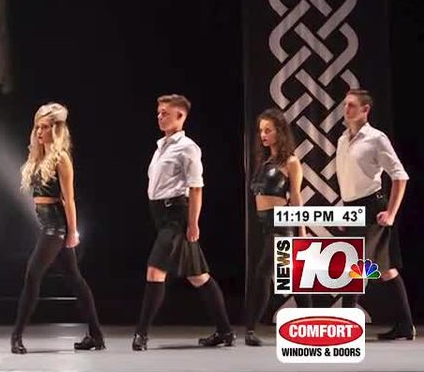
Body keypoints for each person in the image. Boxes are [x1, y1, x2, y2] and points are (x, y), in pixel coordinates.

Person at [131, 94, 234, 351]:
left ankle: (141, 333)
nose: (159, 116)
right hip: (160, 215)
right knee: (198, 276)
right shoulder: (161, 146)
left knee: (155, 270)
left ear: (180, 116)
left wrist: (193, 223)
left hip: (176, 216)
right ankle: (225, 332)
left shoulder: (188, 147)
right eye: (158, 112)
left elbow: (196, 188)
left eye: (165, 113)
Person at [10, 103, 105, 353]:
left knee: (32, 275)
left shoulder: (61, 158)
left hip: (56, 226)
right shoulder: (37, 157)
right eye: (37, 127)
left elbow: (68, 199)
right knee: (74, 278)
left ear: (56, 129)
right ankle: (96, 335)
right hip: (45, 223)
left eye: (45, 127)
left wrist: (73, 232)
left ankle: (16, 336)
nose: (39, 132)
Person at [335, 89, 415, 340]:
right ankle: (405, 325)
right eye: (345, 104)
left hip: (372, 207)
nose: (346, 109)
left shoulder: (376, 139)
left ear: (365, 110)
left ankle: (346, 327)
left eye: (351, 105)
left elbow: (400, 176)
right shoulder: (342, 139)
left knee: (357, 266)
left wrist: (391, 213)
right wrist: (344, 208)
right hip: (352, 208)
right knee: (383, 269)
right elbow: (347, 179)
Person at [243, 108, 310, 346]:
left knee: (264, 273)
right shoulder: (264, 162)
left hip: (282, 225)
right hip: (264, 224)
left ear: (280, 132)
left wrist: (302, 230)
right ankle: (311, 325)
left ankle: (250, 329)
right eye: (261, 130)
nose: (263, 135)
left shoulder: (290, 162)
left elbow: (296, 197)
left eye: (268, 130)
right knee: (290, 277)